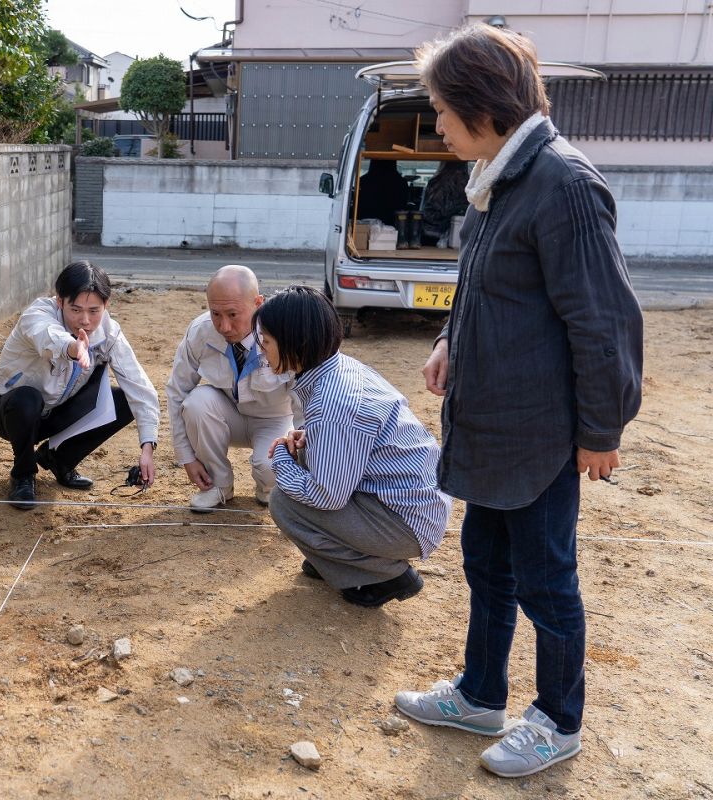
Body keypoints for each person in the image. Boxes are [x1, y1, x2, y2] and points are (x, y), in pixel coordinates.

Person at [393, 25, 643, 779]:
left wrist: (602, 428)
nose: (435, 122)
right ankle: (480, 694)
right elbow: (481, 289)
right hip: (492, 425)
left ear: (483, 107)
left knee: (546, 580)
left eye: (441, 108)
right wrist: (448, 343)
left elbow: (603, 322)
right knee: (487, 566)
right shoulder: (499, 180)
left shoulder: (563, 186)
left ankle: (559, 719)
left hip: (539, 437)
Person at [255, 286, 450, 608]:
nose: (261, 351)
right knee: (304, 461)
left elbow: (326, 495)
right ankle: (341, 561)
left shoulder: (333, 403)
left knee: (284, 502)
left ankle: (384, 573)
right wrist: (307, 437)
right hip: (413, 503)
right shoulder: (340, 368)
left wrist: (281, 458)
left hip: (406, 521)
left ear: (295, 343)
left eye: (266, 343)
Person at [0, 261, 160, 509]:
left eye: (94, 310)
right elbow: (46, 335)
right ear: (60, 302)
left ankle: (60, 460)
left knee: (126, 401)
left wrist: (147, 447)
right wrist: (73, 347)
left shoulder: (110, 334)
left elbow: (140, 388)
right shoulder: (37, 314)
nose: (85, 320)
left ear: (106, 305)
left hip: (59, 410)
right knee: (27, 398)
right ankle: (23, 473)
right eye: (75, 310)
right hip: (11, 413)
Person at [165, 265, 296, 511]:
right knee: (196, 403)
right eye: (215, 313)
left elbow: (306, 400)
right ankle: (218, 486)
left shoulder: (284, 334)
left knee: (270, 468)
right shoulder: (200, 331)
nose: (223, 326)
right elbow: (177, 392)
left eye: (233, 314)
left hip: (275, 420)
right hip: (229, 415)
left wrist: (301, 452)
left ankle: (269, 489)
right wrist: (186, 457)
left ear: (258, 302)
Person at [419, 160, 469, 245]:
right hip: (455, 230)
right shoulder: (467, 182)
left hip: (432, 230)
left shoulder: (437, 181)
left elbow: (432, 207)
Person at [355, 158, 410, 227]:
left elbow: (357, 205)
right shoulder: (402, 183)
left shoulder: (362, 181)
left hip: (366, 227)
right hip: (393, 229)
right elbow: (403, 206)